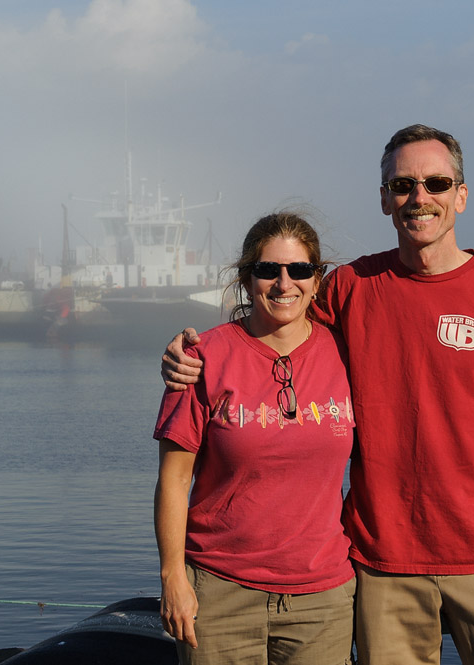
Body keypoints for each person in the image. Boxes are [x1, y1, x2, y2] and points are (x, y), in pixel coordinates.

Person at [162, 125, 474, 665]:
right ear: (384, 198)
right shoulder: (352, 288)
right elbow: (278, 310)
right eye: (402, 185)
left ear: (461, 195)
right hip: (383, 562)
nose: (419, 198)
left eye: (436, 183)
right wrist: (190, 349)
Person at [153, 212, 358, 665]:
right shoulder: (201, 357)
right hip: (220, 591)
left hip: (321, 598)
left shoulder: (347, 353)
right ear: (247, 279)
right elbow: (173, 480)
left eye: (300, 270)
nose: (285, 284)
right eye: (268, 270)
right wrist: (173, 578)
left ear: (317, 279)